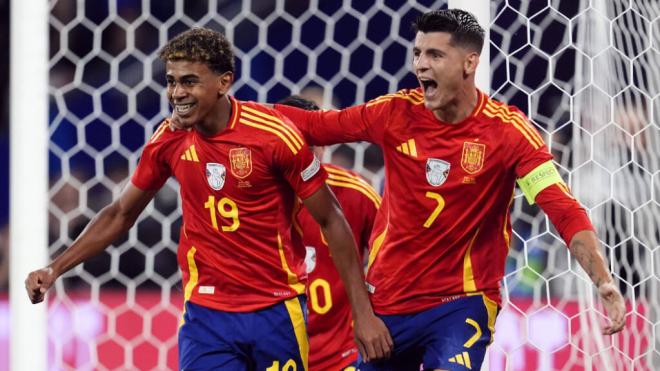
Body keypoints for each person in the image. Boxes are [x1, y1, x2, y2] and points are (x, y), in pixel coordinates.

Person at [270, 9, 626, 371]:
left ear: (470, 63)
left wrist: (603, 280)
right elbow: (317, 125)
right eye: (418, 53)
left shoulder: (508, 133)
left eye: (435, 55)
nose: (421, 65)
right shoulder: (395, 113)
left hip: (461, 301)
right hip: (390, 300)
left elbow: (562, 207)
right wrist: (233, 115)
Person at [25, 28, 392, 370]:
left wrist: (363, 313)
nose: (177, 93)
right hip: (207, 312)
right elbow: (120, 213)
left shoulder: (272, 135)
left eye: (189, 82)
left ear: (223, 82)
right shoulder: (168, 140)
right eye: (171, 82)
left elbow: (331, 220)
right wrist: (55, 268)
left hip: (275, 308)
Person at [279, 95, 381, 370]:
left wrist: (372, 310)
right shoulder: (250, 198)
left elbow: (394, 255)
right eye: (290, 148)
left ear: (323, 148)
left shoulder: (356, 195)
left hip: (342, 358)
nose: (300, 159)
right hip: (271, 352)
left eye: (309, 148)